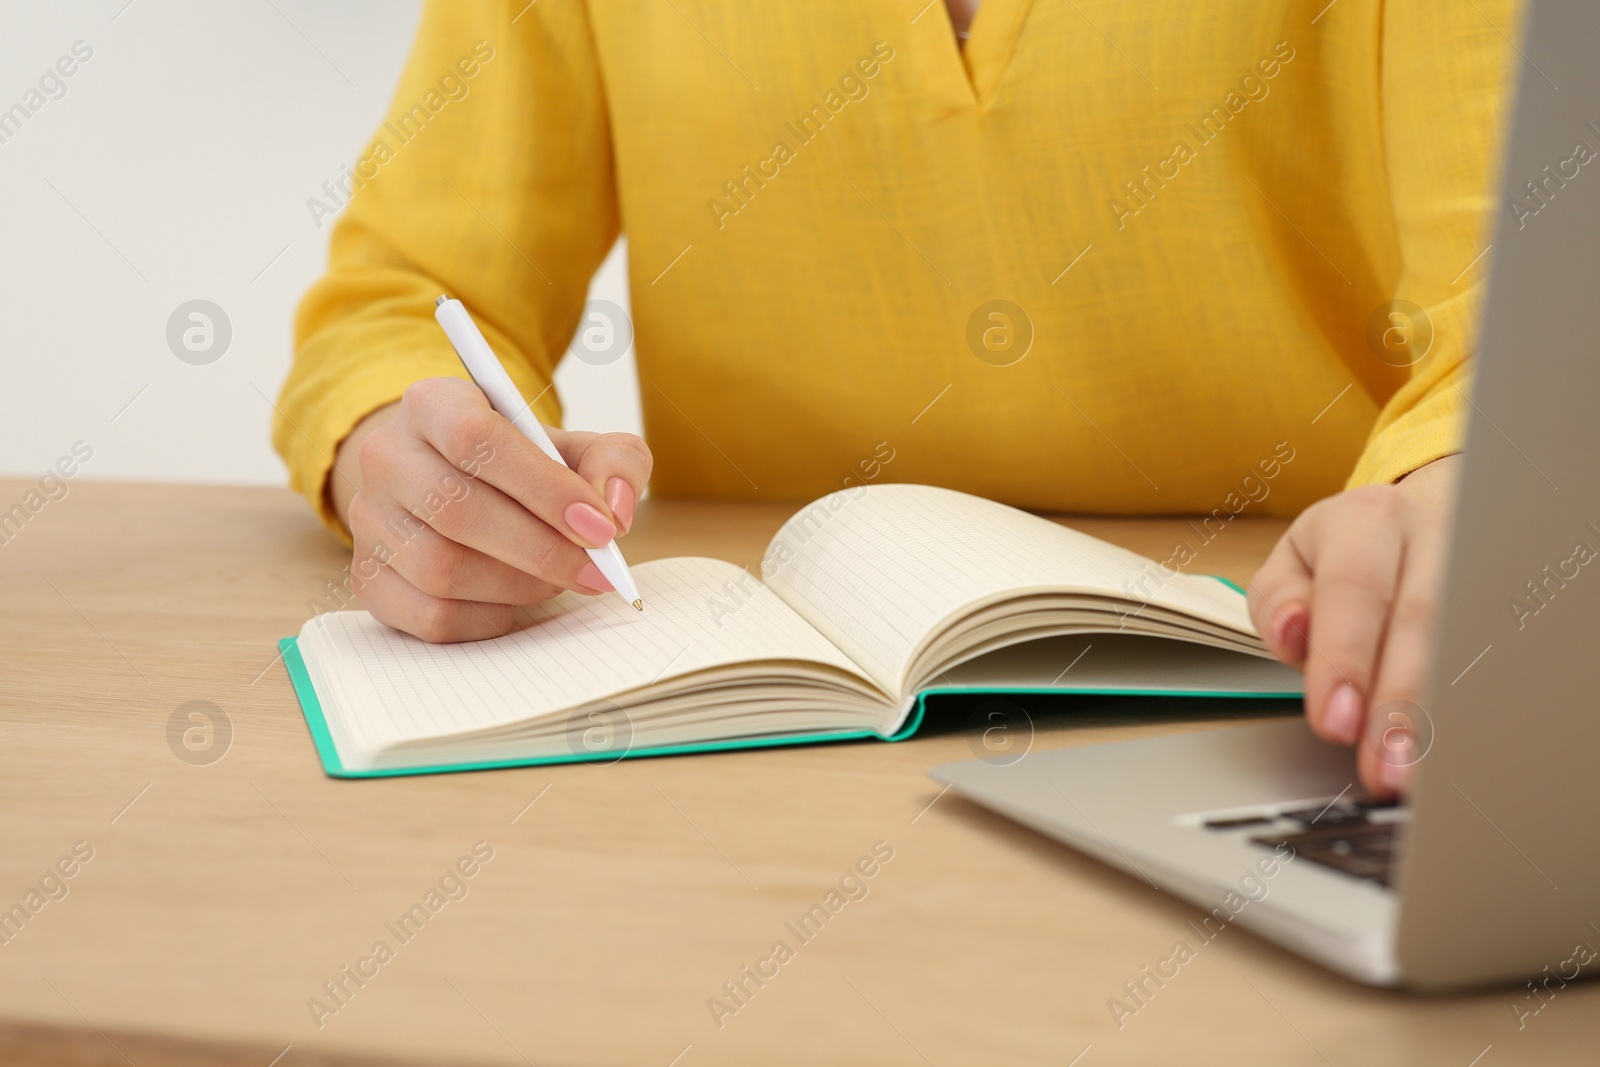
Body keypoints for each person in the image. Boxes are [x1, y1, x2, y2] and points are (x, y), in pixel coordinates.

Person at [274, 0, 1517, 794]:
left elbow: (1520, 315)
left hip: (1274, 712)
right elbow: (406, 301)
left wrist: (1475, 478)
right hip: (724, 756)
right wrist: (408, 450)